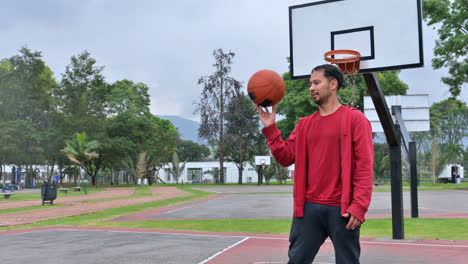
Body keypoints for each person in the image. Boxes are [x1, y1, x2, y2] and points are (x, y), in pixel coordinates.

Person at [256, 64, 374, 264]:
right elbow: (285, 157)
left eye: (316, 82)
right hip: (308, 208)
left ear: (333, 84)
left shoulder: (355, 120)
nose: (311, 88)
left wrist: (359, 206)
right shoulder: (304, 124)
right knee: (297, 260)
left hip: (343, 210)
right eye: (310, 83)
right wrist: (271, 129)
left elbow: (364, 167)